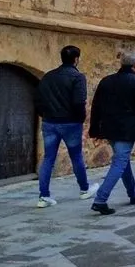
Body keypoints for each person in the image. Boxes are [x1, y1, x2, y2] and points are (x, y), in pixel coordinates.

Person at [88, 51, 135, 215]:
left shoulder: (106, 81)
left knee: (123, 160)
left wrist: (94, 130)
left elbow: (96, 106)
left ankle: (133, 193)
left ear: (121, 64)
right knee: (120, 162)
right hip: (126, 130)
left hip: (108, 128)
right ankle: (100, 199)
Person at [33, 45, 99, 208]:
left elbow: (37, 100)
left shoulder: (48, 76)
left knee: (48, 158)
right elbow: (79, 102)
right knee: (76, 156)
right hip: (70, 123)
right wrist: (80, 119)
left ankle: (44, 196)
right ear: (76, 59)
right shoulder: (77, 77)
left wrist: (45, 115)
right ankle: (84, 189)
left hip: (50, 122)